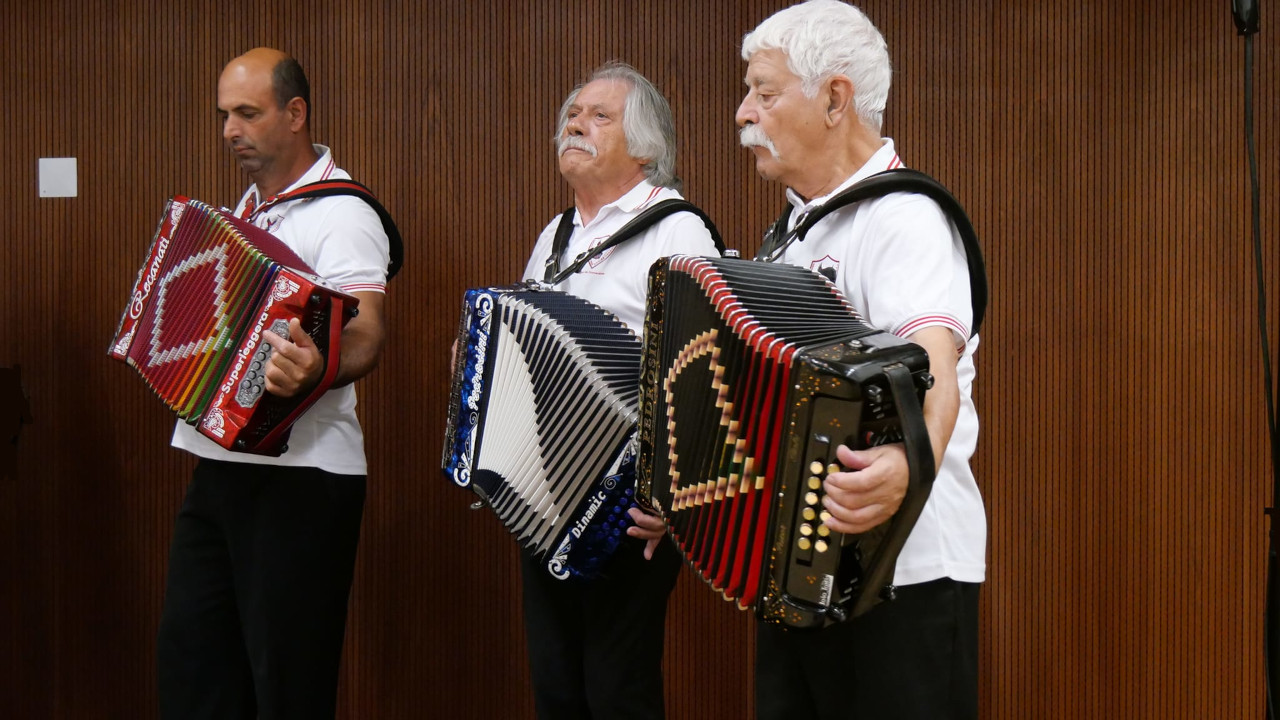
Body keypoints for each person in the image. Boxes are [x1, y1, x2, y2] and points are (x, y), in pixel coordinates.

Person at [735, 2, 984, 719]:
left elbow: (932, 365)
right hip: (801, 572)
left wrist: (911, 460)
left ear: (834, 99)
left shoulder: (904, 218)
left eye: (765, 92)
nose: (744, 111)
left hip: (903, 575)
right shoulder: (789, 237)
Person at [156, 48, 391, 720]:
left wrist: (319, 365)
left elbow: (368, 330)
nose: (230, 129)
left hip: (303, 479)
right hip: (218, 469)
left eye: (247, 113)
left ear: (295, 114)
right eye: (224, 114)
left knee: (286, 687)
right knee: (194, 670)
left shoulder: (342, 212)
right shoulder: (252, 210)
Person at [517, 61, 721, 719]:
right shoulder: (557, 238)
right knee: (557, 687)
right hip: (545, 498)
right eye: (573, 116)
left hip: (628, 501)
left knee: (617, 688)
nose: (576, 124)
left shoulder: (677, 230)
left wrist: (676, 491)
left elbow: (705, 372)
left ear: (644, 147)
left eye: (599, 116)